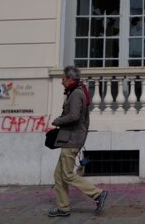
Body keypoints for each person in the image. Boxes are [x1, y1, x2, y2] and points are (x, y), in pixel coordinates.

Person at [48, 66, 107, 217]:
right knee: (58, 175)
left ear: (70, 79)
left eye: (63, 78)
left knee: (67, 174)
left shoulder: (76, 94)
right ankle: (63, 207)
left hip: (72, 139)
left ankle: (98, 194)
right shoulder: (76, 92)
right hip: (70, 138)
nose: (62, 81)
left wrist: (57, 121)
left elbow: (74, 116)